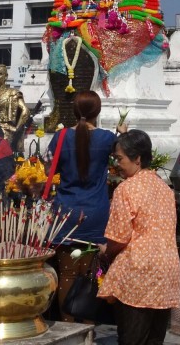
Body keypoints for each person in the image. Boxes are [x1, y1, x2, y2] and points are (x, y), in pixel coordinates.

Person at [48, 91, 127, 322]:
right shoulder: (105, 139)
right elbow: (122, 160)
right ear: (98, 112)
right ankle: (89, 330)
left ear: (74, 111)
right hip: (95, 213)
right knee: (91, 275)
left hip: (66, 214)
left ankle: (67, 329)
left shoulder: (60, 137)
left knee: (68, 274)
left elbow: (47, 172)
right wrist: (122, 134)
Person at [99, 130, 179, 345]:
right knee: (154, 338)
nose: (117, 164)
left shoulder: (126, 189)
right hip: (166, 270)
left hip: (138, 272)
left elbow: (119, 236)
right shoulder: (165, 189)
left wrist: (107, 251)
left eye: (120, 158)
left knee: (132, 338)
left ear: (137, 158)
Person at [0, 64, 32, 155]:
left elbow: (25, 111)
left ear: (5, 76)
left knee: (2, 155)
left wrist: (16, 128)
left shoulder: (13, 93)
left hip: (6, 131)